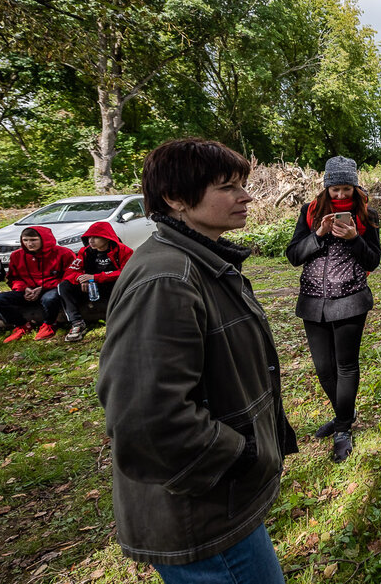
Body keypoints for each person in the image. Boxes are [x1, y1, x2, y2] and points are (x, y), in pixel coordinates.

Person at [97, 137, 297, 583]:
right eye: (228, 187)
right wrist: (241, 457)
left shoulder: (197, 260)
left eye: (241, 184)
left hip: (218, 505)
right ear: (175, 199)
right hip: (202, 512)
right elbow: (146, 419)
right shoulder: (168, 277)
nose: (246, 196)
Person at [285, 156, 381, 463]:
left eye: (346, 189)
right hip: (313, 301)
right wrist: (318, 236)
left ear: (354, 188)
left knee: (346, 366)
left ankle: (342, 429)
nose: (341, 196)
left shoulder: (367, 215)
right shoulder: (310, 212)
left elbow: (372, 261)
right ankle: (346, 412)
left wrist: (354, 239)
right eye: (335, 190)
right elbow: (293, 255)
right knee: (324, 370)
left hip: (350, 299)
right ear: (326, 188)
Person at [0, 227, 75, 342]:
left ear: (44, 239)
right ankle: (22, 325)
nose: (29, 244)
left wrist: (44, 287)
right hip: (27, 291)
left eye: (33, 240)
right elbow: (13, 278)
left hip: (52, 288)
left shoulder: (64, 253)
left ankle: (49, 324)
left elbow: (70, 276)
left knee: (49, 298)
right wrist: (24, 289)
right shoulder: (16, 255)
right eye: (25, 240)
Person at [58, 221, 133, 342]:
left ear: (107, 238)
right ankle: (77, 323)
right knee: (64, 286)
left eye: (95, 237)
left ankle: (120, 321)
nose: (91, 240)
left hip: (112, 285)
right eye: (89, 237)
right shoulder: (85, 251)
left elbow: (127, 272)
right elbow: (71, 271)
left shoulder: (123, 250)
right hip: (90, 287)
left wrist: (95, 277)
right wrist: (80, 278)